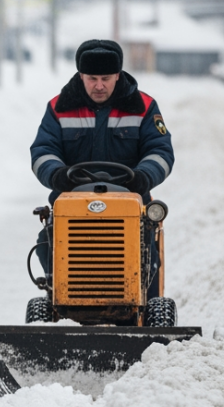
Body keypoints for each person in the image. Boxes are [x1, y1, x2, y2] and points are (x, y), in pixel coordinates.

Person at [29, 39, 175, 297]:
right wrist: (57, 174)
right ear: (80, 75)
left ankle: (145, 304)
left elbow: (160, 151)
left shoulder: (144, 107)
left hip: (131, 199)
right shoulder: (58, 108)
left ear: (118, 75)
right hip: (72, 199)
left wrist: (144, 177)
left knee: (147, 254)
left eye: (106, 78)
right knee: (45, 244)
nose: (99, 85)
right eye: (92, 78)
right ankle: (61, 297)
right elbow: (43, 151)